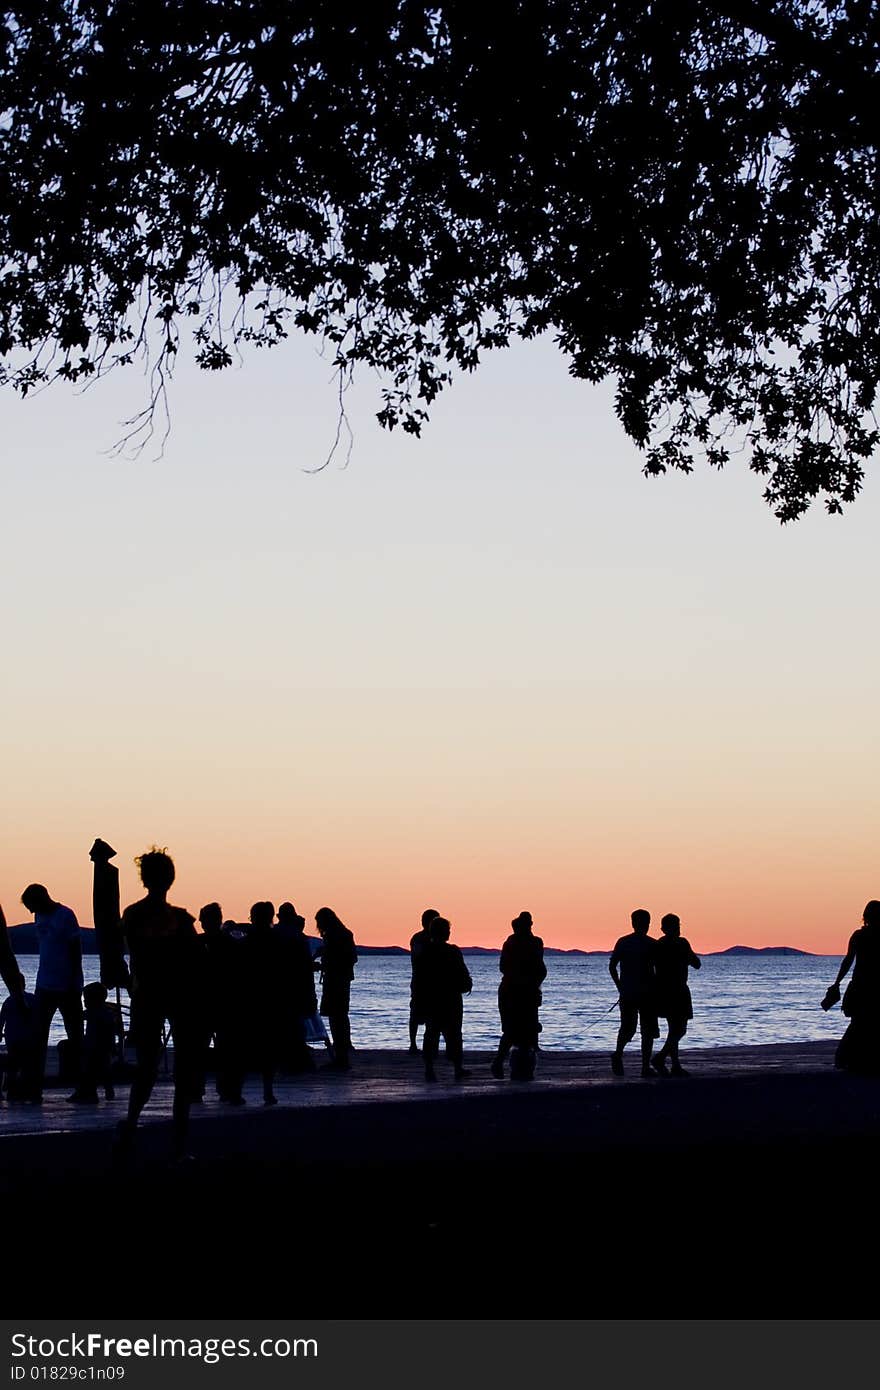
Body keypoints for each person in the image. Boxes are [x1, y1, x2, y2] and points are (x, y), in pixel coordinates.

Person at [115, 848, 204, 1161]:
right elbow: (194, 958)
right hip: (160, 996)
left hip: (161, 996)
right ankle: (161, 1137)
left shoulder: (143, 915)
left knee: (155, 1068)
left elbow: (193, 958)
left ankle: (139, 1128)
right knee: (163, 1069)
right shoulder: (166, 918)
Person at [20, 883, 84, 1098]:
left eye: (32, 906)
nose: (31, 912)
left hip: (67, 985)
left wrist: (75, 981)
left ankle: (84, 1087)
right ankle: (33, 1087)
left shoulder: (65, 916)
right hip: (44, 985)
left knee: (76, 1036)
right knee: (37, 1036)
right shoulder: (39, 917)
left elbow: (76, 949)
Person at [822, 900, 880, 1074]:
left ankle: (849, 1059)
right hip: (872, 986)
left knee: (860, 1024)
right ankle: (858, 1059)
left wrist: (837, 982)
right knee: (869, 1024)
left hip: (861, 985)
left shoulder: (858, 936)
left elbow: (848, 961)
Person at [491, 911, 547, 1080]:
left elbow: (504, 967)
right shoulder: (531, 943)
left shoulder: (513, 943)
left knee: (517, 1029)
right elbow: (539, 968)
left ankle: (510, 1063)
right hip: (518, 991)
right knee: (516, 1029)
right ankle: (505, 1063)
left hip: (517, 990)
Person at [421, 917, 472, 1082]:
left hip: (432, 998)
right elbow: (462, 972)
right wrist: (466, 984)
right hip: (450, 998)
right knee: (454, 1034)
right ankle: (457, 1068)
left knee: (432, 1033)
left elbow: (421, 977)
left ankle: (430, 1069)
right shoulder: (453, 951)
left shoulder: (425, 951)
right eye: (448, 930)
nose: (450, 933)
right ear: (443, 932)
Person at [609, 909, 658, 1078]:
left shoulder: (650, 944)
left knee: (644, 1030)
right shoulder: (628, 942)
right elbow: (612, 966)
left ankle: (644, 1066)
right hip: (633, 993)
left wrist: (620, 986)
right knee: (632, 1029)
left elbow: (612, 967)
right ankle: (618, 1055)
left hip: (642, 993)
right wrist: (620, 987)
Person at [652, 914, 701, 1076]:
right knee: (679, 1030)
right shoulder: (682, 943)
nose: (679, 928)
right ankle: (661, 1057)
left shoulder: (658, 945)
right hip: (678, 990)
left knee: (674, 1028)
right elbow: (696, 964)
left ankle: (675, 1065)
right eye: (677, 925)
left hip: (663, 991)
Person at [246, 901, 282, 1104]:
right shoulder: (276, 941)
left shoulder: (248, 941)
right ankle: (267, 1089)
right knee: (269, 1047)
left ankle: (234, 1089)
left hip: (252, 998)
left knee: (244, 1045)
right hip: (270, 999)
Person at [314, 907, 358, 1070]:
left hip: (335, 980)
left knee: (335, 1017)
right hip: (342, 980)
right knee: (341, 1016)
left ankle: (341, 1057)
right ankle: (343, 1053)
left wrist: (327, 963)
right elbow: (353, 957)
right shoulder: (345, 934)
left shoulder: (333, 936)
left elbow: (348, 958)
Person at [277, 902, 318, 1072]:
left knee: (287, 1026)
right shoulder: (299, 938)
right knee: (295, 1026)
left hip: (282, 988)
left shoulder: (276, 935)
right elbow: (305, 967)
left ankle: (291, 1060)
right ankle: (297, 1060)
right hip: (296, 988)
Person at [67, 982, 122, 1103]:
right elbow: (113, 1031)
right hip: (103, 1047)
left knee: (89, 1072)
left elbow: (80, 1016)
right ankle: (108, 1090)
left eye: (86, 999)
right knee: (105, 1071)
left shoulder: (94, 1012)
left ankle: (92, 1094)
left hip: (94, 1047)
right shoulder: (106, 1012)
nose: (84, 1002)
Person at [90, 838, 130, 990]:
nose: (91, 857)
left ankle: (117, 978)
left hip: (108, 922)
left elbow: (111, 899)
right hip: (104, 923)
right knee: (108, 955)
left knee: (112, 956)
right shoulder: (101, 871)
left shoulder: (109, 871)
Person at [0, 971, 40, 1102]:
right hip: (29, 1040)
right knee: (27, 1066)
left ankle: (12, 1091)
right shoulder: (33, 999)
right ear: (24, 984)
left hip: (13, 1040)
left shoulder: (9, 1001)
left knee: (13, 1066)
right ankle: (24, 1090)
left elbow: (1, 1020)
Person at [409, 908, 439, 1054]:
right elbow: (419, 957)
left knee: (431, 1015)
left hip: (428, 981)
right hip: (421, 981)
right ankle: (413, 1044)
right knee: (416, 1013)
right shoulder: (419, 939)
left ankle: (429, 1045)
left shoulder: (426, 939)